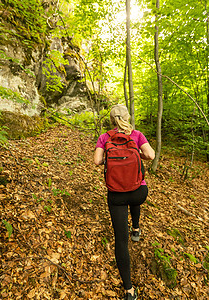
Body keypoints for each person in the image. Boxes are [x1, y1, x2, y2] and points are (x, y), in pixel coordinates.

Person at [94, 104, 155, 300]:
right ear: (127, 117)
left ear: (111, 120)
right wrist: (136, 156)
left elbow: (97, 161)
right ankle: (136, 228)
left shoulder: (105, 137)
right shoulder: (137, 135)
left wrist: (112, 159)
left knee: (121, 241)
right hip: (138, 192)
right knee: (134, 190)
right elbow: (151, 155)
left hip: (116, 195)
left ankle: (129, 290)